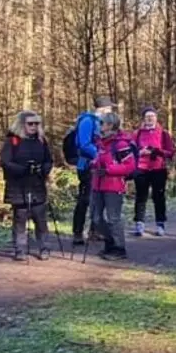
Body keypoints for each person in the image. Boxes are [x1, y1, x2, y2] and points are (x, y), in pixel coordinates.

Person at [0, 111, 56, 261]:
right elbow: (5, 162)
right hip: (18, 186)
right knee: (20, 218)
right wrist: (22, 169)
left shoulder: (41, 140)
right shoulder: (12, 141)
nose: (34, 126)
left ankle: (44, 248)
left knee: (40, 218)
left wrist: (43, 169)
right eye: (30, 123)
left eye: (36, 123)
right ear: (22, 124)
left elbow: (49, 160)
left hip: (37, 184)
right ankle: (20, 250)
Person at [68, 96, 115, 245]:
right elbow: (84, 144)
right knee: (85, 199)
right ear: (102, 109)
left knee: (98, 199)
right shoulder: (88, 121)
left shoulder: (105, 123)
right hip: (87, 165)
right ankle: (77, 232)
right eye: (109, 108)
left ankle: (95, 230)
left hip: (101, 166)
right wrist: (99, 155)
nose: (111, 111)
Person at [88, 112, 135, 260]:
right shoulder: (101, 142)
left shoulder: (120, 144)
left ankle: (119, 248)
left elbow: (129, 166)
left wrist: (108, 170)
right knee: (95, 218)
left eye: (101, 123)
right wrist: (93, 164)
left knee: (113, 218)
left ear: (110, 125)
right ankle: (110, 242)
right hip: (97, 185)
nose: (99, 126)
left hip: (113, 186)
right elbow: (98, 159)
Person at [132, 107, 175, 236]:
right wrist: (140, 152)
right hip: (141, 168)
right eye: (147, 117)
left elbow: (171, 152)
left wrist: (157, 151)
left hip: (158, 168)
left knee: (159, 197)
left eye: (152, 116)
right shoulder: (137, 133)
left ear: (156, 118)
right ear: (143, 119)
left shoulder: (163, 133)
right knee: (141, 197)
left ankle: (160, 224)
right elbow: (131, 151)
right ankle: (139, 224)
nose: (150, 119)